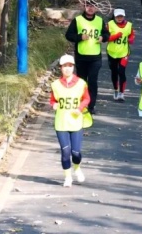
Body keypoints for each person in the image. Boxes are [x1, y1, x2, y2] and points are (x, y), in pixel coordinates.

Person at [50, 54, 90, 187]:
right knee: (65, 151)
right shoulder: (55, 85)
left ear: (73, 67)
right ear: (61, 68)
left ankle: (77, 168)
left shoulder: (81, 83)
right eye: (64, 66)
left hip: (76, 122)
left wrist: (80, 108)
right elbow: (53, 100)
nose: (67, 69)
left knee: (75, 153)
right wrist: (53, 105)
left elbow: (86, 98)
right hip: (61, 122)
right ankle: (67, 177)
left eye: (70, 66)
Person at [65, 0, 110, 114]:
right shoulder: (77, 20)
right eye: (88, 6)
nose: (90, 8)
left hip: (95, 57)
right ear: (84, 7)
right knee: (82, 82)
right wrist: (80, 37)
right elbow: (68, 35)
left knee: (93, 81)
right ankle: (82, 105)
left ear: (96, 8)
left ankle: (91, 106)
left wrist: (103, 38)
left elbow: (107, 34)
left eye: (93, 6)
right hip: (81, 57)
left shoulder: (99, 20)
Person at [107, 9, 134, 102]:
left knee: (121, 72)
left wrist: (130, 39)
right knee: (114, 72)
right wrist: (116, 36)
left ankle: (121, 93)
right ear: (114, 17)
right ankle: (115, 89)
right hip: (112, 52)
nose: (119, 18)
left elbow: (132, 36)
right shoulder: (110, 24)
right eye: (118, 16)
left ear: (124, 16)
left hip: (124, 53)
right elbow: (106, 38)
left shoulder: (129, 25)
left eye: (121, 16)